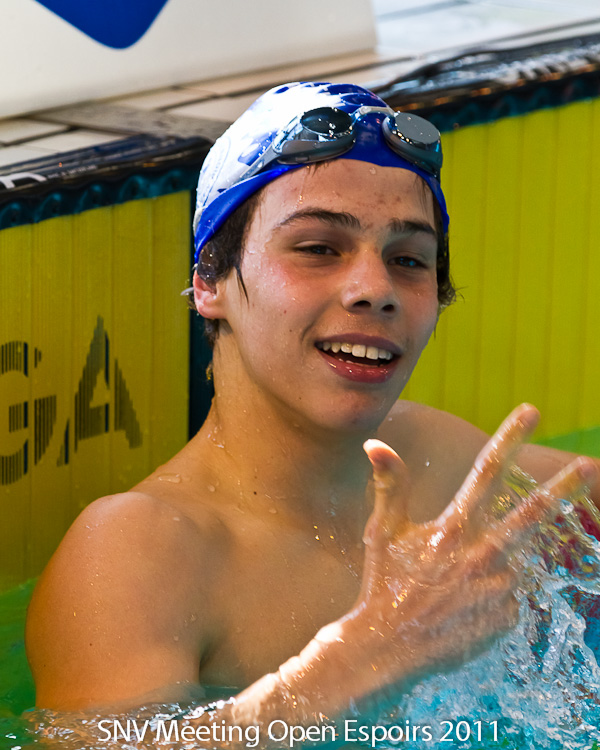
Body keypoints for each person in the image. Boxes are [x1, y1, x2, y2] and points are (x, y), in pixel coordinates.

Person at [25, 82, 599, 746]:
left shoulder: (432, 457)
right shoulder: (140, 547)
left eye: (408, 260)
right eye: (318, 248)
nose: (375, 289)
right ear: (209, 281)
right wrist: (367, 659)